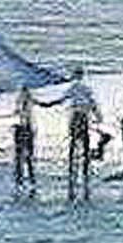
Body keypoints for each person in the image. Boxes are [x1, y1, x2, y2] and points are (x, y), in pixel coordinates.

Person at [44, 67, 102, 200]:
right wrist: (98, 117)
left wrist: (47, 104)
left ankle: (72, 168)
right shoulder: (87, 88)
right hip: (84, 117)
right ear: (82, 75)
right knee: (85, 141)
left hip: (75, 116)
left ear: (74, 75)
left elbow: (62, 99)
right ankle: (85, 170)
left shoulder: (73, 87)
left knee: (73, 141)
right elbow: (93, 103)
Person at [12, 85, 38, 191]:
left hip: (25, 129)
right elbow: (23, 115)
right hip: (25, 129)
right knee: (25, 155)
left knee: (23, 155)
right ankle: (25, 178)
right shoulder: (23, 103)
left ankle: (23, 178)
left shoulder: (21, 102)